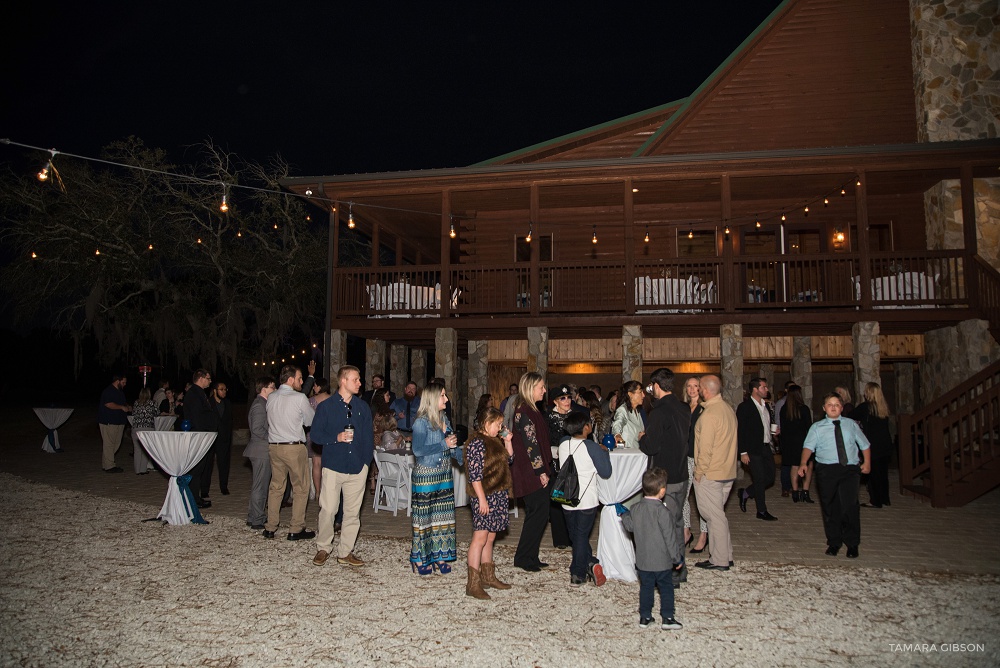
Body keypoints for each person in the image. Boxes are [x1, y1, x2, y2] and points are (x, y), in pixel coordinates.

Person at [310, 365, 373, 567]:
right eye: (356, 379)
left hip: (357, 468)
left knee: (352, 513)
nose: (360, 383)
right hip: (333, 467)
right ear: (343, 381)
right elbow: (316, 436)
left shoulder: (362, 407)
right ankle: (323, 547)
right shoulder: (326, 407)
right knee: (328, 509)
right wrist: (335, 438)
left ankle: (345, 552)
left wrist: (365, 464)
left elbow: (368, 438)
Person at [800, 393, 871, 558]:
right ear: (824, 408)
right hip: (827, 469)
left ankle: (852, 543)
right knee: (831, 507)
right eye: (829, 404)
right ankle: (834, 542)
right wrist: (803, 463)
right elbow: (808, 447)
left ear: (841, 407)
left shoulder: (851, 424)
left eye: (837, 404)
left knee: (850, 506)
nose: (833, 407)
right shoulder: (817, 427)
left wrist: (867, 462)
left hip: (850, 469)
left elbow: (865, 444)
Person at [638, 368, 691, 586]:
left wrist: (643, 437)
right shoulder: (684, 408)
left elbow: (651, 446)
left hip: (664, 478)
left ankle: (671, 573)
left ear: (657, 386)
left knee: (665, 528)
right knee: (677, 523)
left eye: (651, 387)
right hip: (681, 473)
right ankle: (680, 569)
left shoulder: (659, 412)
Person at [618, 467, 684, 631]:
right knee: (666, 588)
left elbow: (630, 526)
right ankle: (668, 617)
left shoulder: (636, 509)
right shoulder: (663, 512)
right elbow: (670, 538)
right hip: (662, 562)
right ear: (662, 491)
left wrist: (624, 515)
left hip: (643, 561)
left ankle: (645, 616)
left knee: (646, 588)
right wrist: (677, 557)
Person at [407, 381, 460, 575]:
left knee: (442, 516)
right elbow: (418, 449)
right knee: (424, 518)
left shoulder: (444, 417)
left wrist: (463, 456)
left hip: (445, 473)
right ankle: (420, 558)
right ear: (432, 398)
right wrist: (444, 444)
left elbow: (451, 444)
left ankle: (439, 555)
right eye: (443, 395)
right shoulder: (421, 422)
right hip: (427, 475)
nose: (446, 399)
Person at [464, 406, 515, 599]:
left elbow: (509, 460)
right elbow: (474, 476)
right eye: (498, 424)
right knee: (480, 538)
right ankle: (473, 583)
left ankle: (488, 576)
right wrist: (482, 500)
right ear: (487, 423)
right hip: (484, 495)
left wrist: (508, 442)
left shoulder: (495, 441)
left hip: (498, 494)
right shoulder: (476, 443)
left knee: (491, 537)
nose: (500, 427)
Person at [558, 411, 612, 586]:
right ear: (586, 427)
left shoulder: (563, 443)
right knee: (581, 536)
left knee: (576, 536)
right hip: (586, 500)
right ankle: (578, 573)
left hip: (567, 498)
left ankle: (590, 562)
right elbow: (606, 472)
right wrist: (604, 452)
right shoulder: (592, 447)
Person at [263, 364, 315, 541]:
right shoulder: (299, 397)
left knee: (276, 486)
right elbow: (309, 421)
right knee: (300, 488)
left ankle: (270, 527)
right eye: (300, 378)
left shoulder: (271, 397)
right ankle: (296, 528)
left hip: (275, 447)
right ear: (291, 379)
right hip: (293, 447)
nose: (301, 382)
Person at [692, 374, 738, 571]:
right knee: (719, 515)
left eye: (700, 387)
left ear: (705, 390)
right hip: (727, 470)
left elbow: (705, 449)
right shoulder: (727, 409)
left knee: (713, 516)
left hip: (711, 473)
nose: (699, 391)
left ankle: (719, 559)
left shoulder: (710, 415)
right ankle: (725, 554)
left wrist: (698, 473)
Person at [510, 372, 553, 572]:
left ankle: (530, 555)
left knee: (540, 514)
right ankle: (523, 557)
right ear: (530, 388)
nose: (544, 391)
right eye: (541, 387)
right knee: (537, 513)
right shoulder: (525, 412)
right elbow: (531, 445)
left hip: (535, 469)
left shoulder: (532, 410)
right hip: (530, 471)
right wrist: (541, 471)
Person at [736, 378, 778, 521]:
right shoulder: (745, 407)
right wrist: (743, 452)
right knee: (759, 479)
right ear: (755, 389)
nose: (767, 390)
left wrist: (773, 432)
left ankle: (746, 493)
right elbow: (740, 430)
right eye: (764, 387)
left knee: (770, 477)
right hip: (752, 449)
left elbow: (764, 425)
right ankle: (761, 511)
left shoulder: (765, 406)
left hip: (765, 447)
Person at [851, 382, 893, 508]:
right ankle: (885, 498)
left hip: (872, 444)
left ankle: (875, 501)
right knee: (883, 474)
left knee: (873, 474)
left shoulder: (866, 407)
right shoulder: (883, 408)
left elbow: (851, 415)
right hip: (885, 443)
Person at [544, 383, 576, 551]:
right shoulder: (549, 418)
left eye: (568, 397)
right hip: (556, 464)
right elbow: (546, 441)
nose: (566, 401)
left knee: (573, 498)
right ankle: (560, 538)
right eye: (562, 398)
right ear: (555, 401)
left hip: (574, 463)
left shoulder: (576, 416)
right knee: (557, 500)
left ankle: (573, 536)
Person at [182, 369, 219, 509]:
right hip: (199, 436)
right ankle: (193, 499)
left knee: (200, 468)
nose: (210, 381)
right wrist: (204, 434)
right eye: (208, 378)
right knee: (196, 468)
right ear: (201, 378)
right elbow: (197, 417)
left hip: (202, 435)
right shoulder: (194, 394)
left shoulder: (199, 393)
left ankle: (195, 497)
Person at [243, 376, 276, 530]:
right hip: (261, 450)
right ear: (264, 389)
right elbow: (256, 429)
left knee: (259, 485)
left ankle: (253, 516)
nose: (274, 390)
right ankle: (257, 518)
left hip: (260, 450)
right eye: (272, 387)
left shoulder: (263, 404)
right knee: (260, 486)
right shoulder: (259, 405)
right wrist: (273, 438)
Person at [681, 377, 708, 554]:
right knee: (683, 496)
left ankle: (704, 535)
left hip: (699, 458)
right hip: (684, 457)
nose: (692, 389)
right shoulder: (683, 408)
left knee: (702, 499)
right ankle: (686, 531)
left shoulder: (705, 409)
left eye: (696, 386)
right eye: (689, 386)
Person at [778, 385, 814, 503]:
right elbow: (809, 427)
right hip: (803, 442)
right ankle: (805, 492)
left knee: (794, 466)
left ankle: (794, 492)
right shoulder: (804, 409)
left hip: (789, 442)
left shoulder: (784, 409)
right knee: (807, 466)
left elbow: (782, 427)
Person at [201, 381, 233, 497]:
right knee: (207, 464)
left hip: (223, 439)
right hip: (210, 438)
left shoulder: (228, 403)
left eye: (225, 389)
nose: (224, 392)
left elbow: (229, 421)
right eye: (221, 389)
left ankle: (224, 487)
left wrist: (228, 437)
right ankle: (204, 490)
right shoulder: (208, 403)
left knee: (224, 463)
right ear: (215, 390)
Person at [98, 373, 131, 472]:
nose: (125, 384)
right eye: (123, 382)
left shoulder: (120, 392)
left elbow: (122, 404)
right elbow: (108, 404)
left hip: (118, 421)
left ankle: (106, 464)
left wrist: (127, 407)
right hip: (109, 421)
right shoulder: (109, 391)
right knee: (109, 444)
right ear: (118, 381)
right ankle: (109, 466)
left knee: (115, 444)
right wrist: (121, 407)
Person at [130, 387, 158, 474]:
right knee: (145, 449)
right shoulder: (152, 403)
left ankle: (137, 470)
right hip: (148, 428)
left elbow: (133, 413)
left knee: (137, 449)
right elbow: (157, 413)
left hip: (136, 428)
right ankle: (143, 469)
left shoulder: (136, 403)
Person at [612, 380, 646, 448]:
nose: (643, 395)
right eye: (640, 392)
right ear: (630, 394)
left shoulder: (638, 411)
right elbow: (618, 423)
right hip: (627, 453)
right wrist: (617, 436)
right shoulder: (623, 410)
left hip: (637, 451)